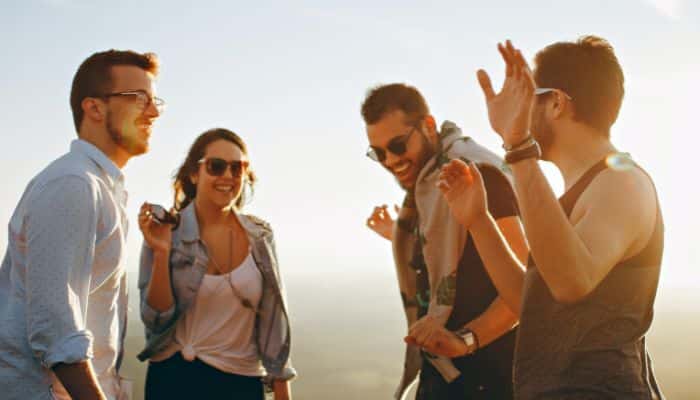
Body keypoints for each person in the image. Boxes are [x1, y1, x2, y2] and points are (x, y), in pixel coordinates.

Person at [415, 37, 665, 399]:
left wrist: (518, 147)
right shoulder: (575, 193)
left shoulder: (621, 181)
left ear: (557, 102)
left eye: (527, 97)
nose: (518, 109)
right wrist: (479, 221)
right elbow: (532, 304)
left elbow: (571, 281)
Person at [0, 50, 162, 399]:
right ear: (94, 108)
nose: (153, 112)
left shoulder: (101, 186)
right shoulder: (73, 184)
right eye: (138, 99)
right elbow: (57, 331)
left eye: (154, 101)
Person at [362, 83, 528, 399]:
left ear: (427, 126)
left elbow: (525, 285)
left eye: (397, 145)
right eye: (378, 153)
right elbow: (456, 254)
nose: (390, 161)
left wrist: (466, 341)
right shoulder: (428, 187)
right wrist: (399, 235)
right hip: (444, 374)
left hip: (491, 377)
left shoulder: (476, 174)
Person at [137, 128, 295, 400]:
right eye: (216, 166)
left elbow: (273, 324)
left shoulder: (260, 237)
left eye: (237, 168)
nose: (227, 177)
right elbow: (155, 319)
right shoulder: (165, 231)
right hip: (172, 382)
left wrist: (282, 392)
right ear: (194, 173)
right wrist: (161, 253)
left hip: (240, 385)